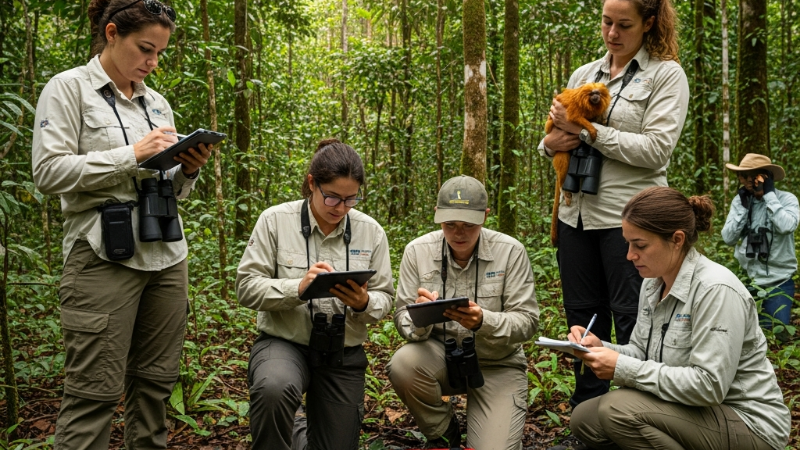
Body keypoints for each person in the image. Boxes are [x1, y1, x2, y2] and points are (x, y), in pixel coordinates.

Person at [31, 1, 212, 448]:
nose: (152, 63)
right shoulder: (68, 89)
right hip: (101, 255)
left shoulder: (158, 104)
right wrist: (131, 154)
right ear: (112, 33)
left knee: (154, 386)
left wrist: (187, 169)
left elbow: (170, 186)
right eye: (145, 49)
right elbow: (48, 172)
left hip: (166, 254)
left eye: (160, 54)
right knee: (93, 393)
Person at [539, 0, 690, 410]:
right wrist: (549, 143)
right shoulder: (585, 74)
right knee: (582, 321)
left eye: (624, 24)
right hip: (575, 218)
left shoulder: (665, 75)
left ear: (649, 24)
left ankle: (635, 413)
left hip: (630, 223)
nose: (612, 33)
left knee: (632, 318)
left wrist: (589, 133)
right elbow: (555, 135)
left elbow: (657, 151)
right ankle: (589, 413)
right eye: (607, 22)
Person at [561, 186, 791, 450]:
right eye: (628, 243)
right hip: (695, 412)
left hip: (748, 422)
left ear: (677, 239)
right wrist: (600, 349)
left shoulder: (715, 289)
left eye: (640, 245)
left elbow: (709, 386)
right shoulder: (653, 283)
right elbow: (640, 351)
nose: (629, 255)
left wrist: (621, 367)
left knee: (617, 409)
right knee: (585, 418)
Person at [236, 139, 395, 450]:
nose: (341, 208)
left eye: (351, 199)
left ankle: (298, 428)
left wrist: (364, 303)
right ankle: (285, 426)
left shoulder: (371, 232)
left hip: (342, 350)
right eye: (333, 198)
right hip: (284, 341)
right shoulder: (275, 221)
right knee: (274, 388)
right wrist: (297, 288)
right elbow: (246, 287)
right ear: (312, 184)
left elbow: (385, 298)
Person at [387, 175, 539, 450]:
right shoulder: (417, 252)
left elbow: (527, 322)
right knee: (404, 364)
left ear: (485, 216)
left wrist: (484, 321)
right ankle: (443, 433)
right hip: (440, 355)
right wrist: (421, 317)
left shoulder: (510, 252)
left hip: (497, 363)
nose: (459, 233)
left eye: (469, 225)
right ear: (437, 216)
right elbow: (401, 317)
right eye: (450, 224)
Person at [721, 153, 798, 332]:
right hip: (749, 280)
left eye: (753, 175)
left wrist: (770, 195)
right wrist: (743, 206)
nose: (747, 180)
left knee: (777, 334)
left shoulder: (787, 199)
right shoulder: (740, 201)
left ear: (766, 177)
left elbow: (787, 226)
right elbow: (728, 238)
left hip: (779, 281)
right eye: (743, 176)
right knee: (745, 334)